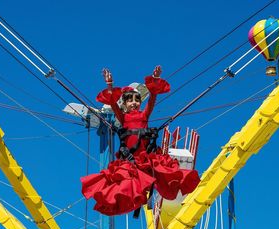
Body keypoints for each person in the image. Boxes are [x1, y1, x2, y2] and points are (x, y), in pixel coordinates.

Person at [81, 66, 199, 216]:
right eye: (130, 100)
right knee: (122, 183)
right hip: (131, 160)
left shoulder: (144, 116)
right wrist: (109, 84)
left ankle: (153, 193)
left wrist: (155, 80)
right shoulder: (123, 118)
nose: (134, 103)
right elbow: (112, 104)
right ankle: (135, 199)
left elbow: (152, 101)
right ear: (124, 104)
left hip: (146, 157)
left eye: (137, 100)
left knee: (166, 173)